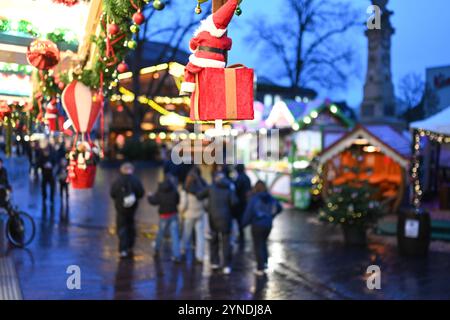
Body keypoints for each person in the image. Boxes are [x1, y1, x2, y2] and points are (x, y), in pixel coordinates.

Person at [197, 171, 238, 275]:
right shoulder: (229, 188)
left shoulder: (211, 187)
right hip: (226, 219)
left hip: (213, 218)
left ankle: (214, 262)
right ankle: (226, 266)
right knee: (226, 243)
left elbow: (199, 195)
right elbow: (234, 203)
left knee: (214, 241)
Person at [242, 181, 282, 276]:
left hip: (257, 225)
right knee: (263, 243)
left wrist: (243, 224)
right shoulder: (270, 198)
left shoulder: (254, 199)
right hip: (268, 225)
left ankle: (260, 268)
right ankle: (265, 263)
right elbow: (279, 207)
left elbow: (248, 213)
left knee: (258, 245)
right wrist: (271, 216)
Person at [110, 163, 145, 259]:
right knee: (131, 226)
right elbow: (141, 193)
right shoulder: (136, 180)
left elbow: (112, 194)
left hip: (120, 209)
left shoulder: (117, 181)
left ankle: (123, 249)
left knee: (122, 227)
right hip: (132, 208)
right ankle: (130, 245)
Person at [148, 172, 181, 262]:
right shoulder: (174, 190)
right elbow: (177, 201)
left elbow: (154, 201)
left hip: (163, 215)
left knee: (160, 233)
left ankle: (156, 249)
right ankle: (177, 255)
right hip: (173, 214)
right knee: (175, 235)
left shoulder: (160, 190)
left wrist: (149, 197)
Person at [179, 166, 207, 264]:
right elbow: (205, 201)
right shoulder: (202, 185)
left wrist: (181, 211)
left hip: (189, 215)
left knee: (186, 234)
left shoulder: (186, 187)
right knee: (200, 236)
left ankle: (182, 250)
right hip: (200, 213)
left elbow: (184, 203)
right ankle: (199, 256)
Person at [233, 164, 252, 244]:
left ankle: (241, 237)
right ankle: (241, 236)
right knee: (241, 218)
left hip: (240, 202)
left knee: (239, 219)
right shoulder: (247, 178)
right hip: (245, 201)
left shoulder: (240, 178)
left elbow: (236, 189)